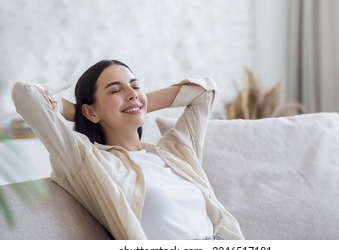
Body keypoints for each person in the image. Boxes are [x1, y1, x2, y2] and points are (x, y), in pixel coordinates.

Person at [12, 59, 244, 240]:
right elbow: (26, 94)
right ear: (90, 112)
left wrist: (137, 103)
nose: (131, 92)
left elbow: (205, 92)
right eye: (115, 90)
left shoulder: (177, 151)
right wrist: (85, 113)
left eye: (135, 86)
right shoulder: (87, 161)